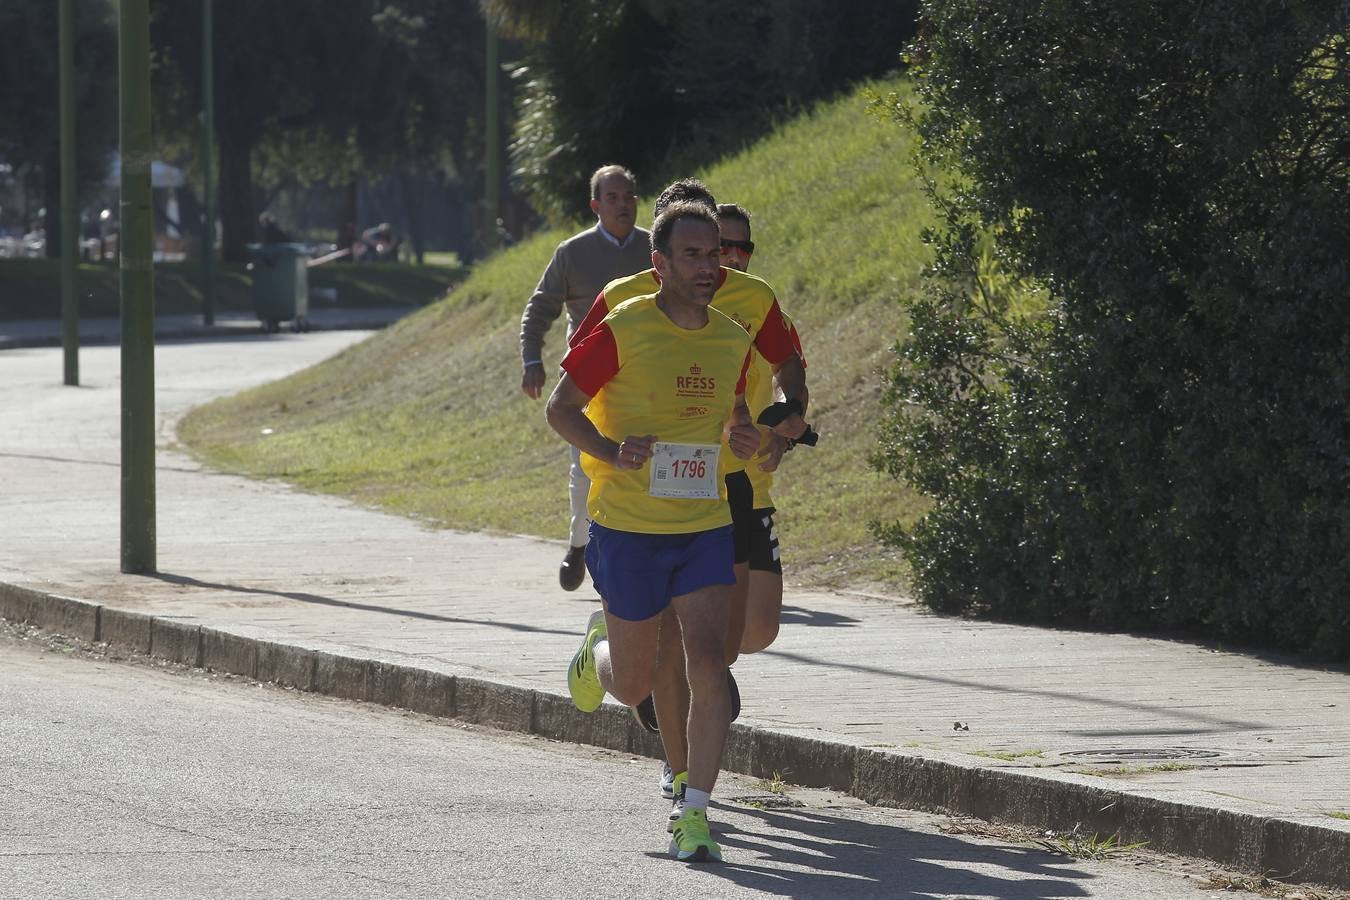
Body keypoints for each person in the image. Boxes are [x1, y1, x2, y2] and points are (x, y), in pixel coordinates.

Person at [568, 180, 811, 824]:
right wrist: (609, 447)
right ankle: (681, 775)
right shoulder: (621, 306)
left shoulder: (743, 313)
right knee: (654, 667)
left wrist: (773, 427)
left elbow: (778, 377)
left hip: (723, 486)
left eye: (729, 248)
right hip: (633, 498)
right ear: (664, 256)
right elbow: (573, 396)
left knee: (732, 643)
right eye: (704, 250)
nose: (719, 261)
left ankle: (691, 786)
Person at [520, 164, 652, 592]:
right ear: (595, 205)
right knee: (586, 466)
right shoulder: (572, 253)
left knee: (648, 459)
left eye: (628, 196)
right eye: (612, 198)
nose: (622, 205)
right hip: (589, 380)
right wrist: (531, 361)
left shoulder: (656, 250)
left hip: (649, 373)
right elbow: (540, 309)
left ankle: (654, 548)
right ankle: (580, 545)